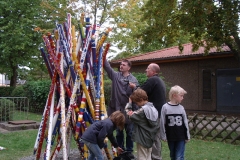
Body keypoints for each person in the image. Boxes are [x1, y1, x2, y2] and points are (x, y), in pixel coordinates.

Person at [129, 63, 166, 160]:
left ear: (153, 71)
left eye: (148, 68)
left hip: (151, 114)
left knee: (150, 137)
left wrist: (134, 87)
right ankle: (155, 157)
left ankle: (154, 158)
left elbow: (140, 93)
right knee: (155, 137)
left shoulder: (152, 80)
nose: (146, 70)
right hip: (157, 113)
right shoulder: (159, 80)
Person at [104, 59, 139, 159]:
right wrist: (103, 56)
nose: (121, 66)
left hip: (128, 110)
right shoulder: (115, 76)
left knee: (130, 132)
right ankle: (121, 151)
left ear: (129, 67)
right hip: (117, 110)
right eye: (120, 64)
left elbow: (138, 93)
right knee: (119, 132)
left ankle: (129, 152)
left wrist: (134, 87)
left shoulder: (133, 79)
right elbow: (107, 67)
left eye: (124, 65)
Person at [125, 88, 159, 160]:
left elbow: (129, 114)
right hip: (150, 137)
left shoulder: (143, 110)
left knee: (142, 157)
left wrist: (129, 103)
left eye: (136, 103)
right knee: (148, 156)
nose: (137, 104)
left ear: (140, 100)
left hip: (142, 138)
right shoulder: (153, 108)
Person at [160, 85, 190, 160]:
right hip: (170, 136)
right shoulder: (165, 107)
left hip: (181, 136)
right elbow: (162, 122)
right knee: (173, 155)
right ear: (174, 96)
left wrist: (187, 136)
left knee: (179, 156)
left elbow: (185, 123)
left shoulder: (181, 108)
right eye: (181, 96)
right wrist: (163, 135)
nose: (182, 98)